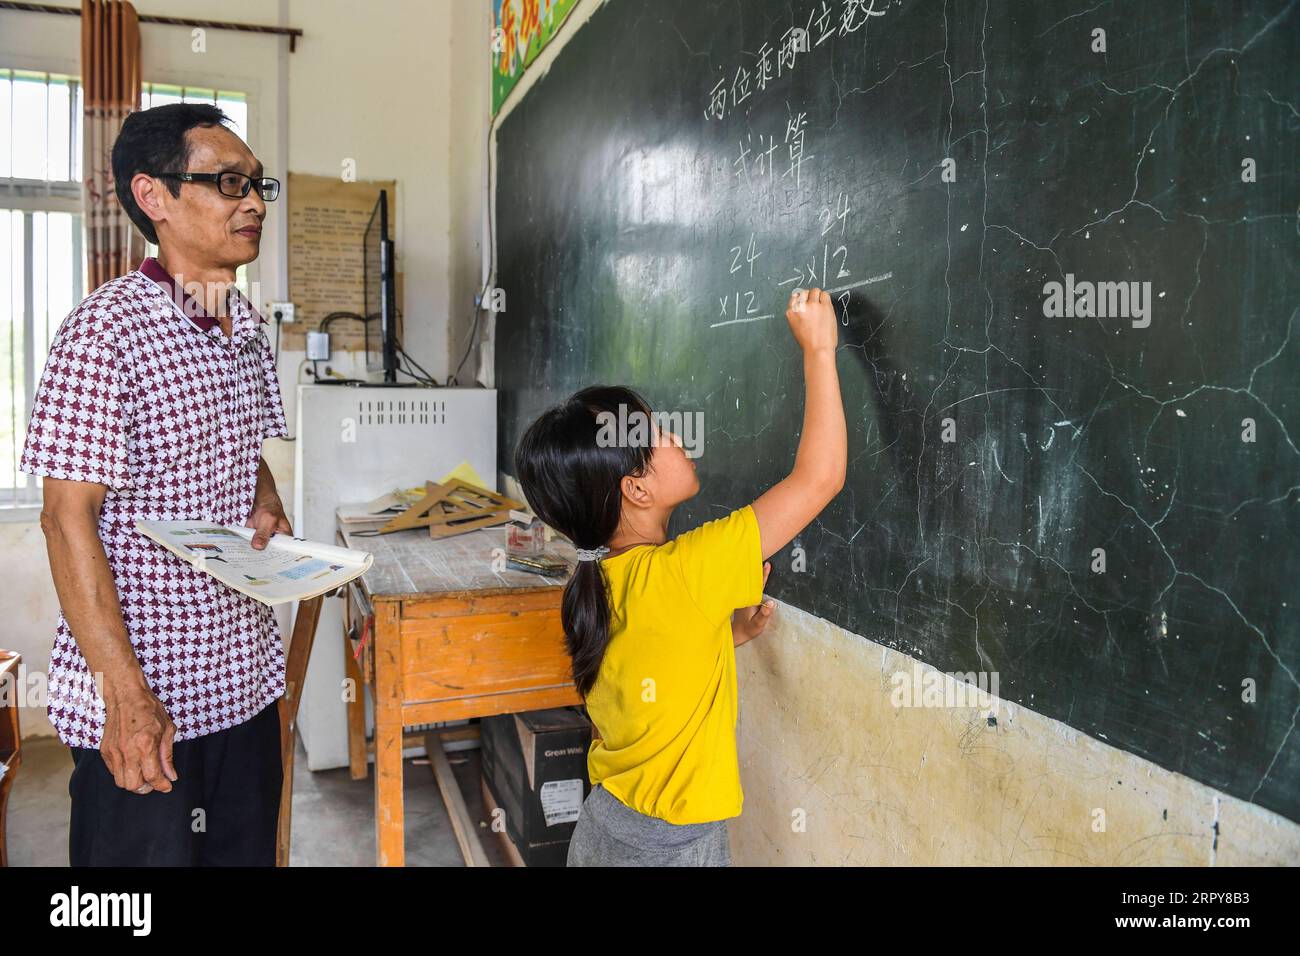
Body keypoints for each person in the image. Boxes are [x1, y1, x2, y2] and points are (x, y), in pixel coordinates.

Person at [21, 103, 290, 866]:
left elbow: (248, 451)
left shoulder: (244, 325)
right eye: (228, 183)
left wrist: (265, 499)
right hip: (149, 700)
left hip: (242, 681)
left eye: (257, 183)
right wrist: (127, 697)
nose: (255, 202)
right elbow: (64, 520)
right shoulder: (105, 332)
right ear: (154, 197)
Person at [513, 287, 847, 865]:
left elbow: (636, 678)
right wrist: (819, 351)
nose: (675, 436)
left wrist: (723, 636)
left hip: (605, 830)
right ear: (636, 489)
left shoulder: (592, 580)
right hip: (671, 848)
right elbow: (820, 478)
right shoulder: (689, 570)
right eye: (656, 434)